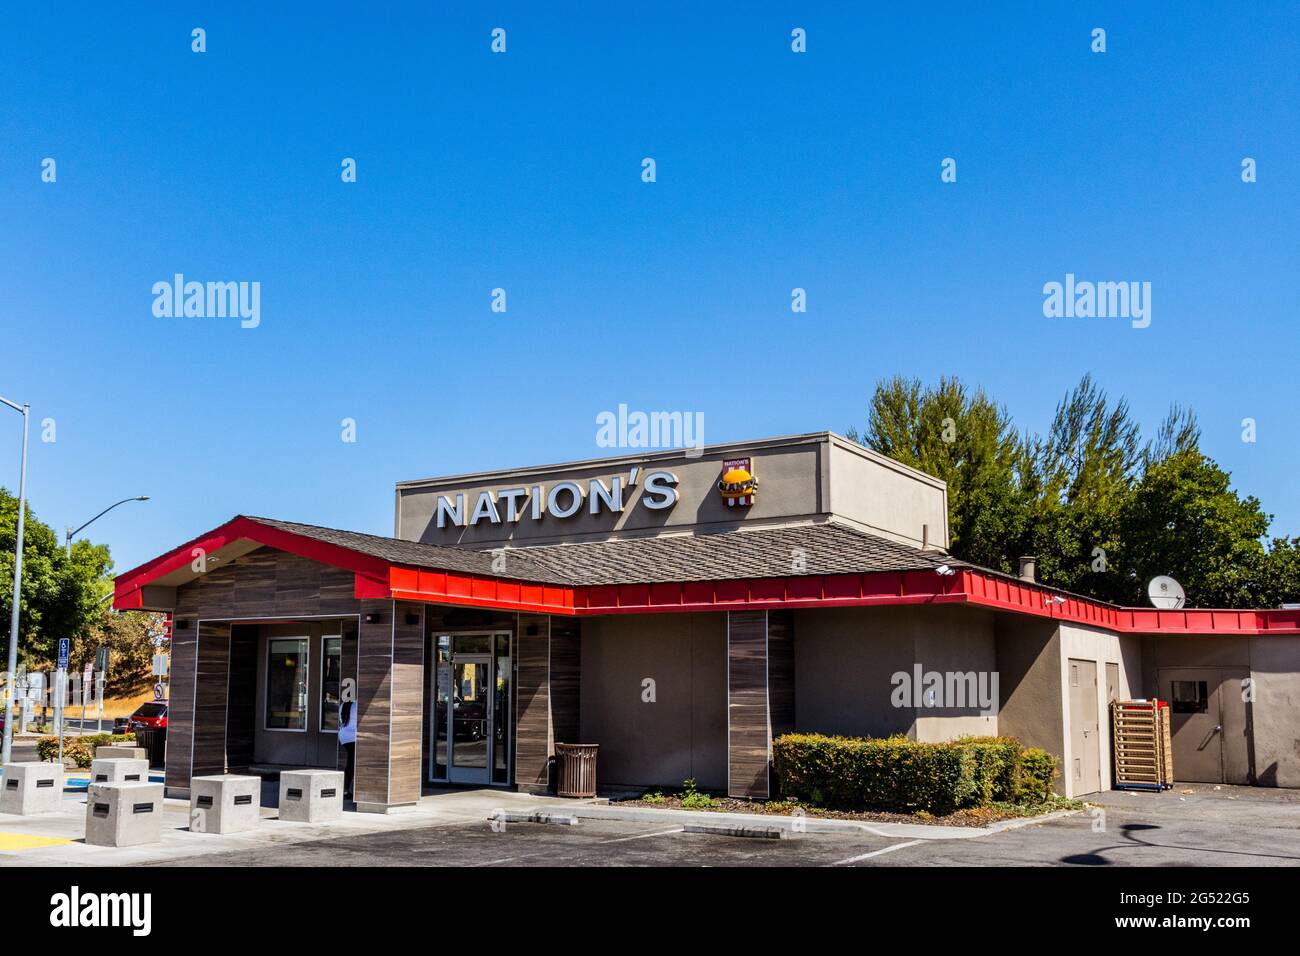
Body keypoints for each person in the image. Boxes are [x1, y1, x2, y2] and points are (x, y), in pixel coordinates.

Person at [338, 697, 357, 800]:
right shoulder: (357, 705)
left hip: (343, 736)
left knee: (350, 762)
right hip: (354, 736)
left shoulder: (343, 705)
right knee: (352, 764)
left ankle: (346, 790)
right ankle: (346, 790)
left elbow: (342, 720)